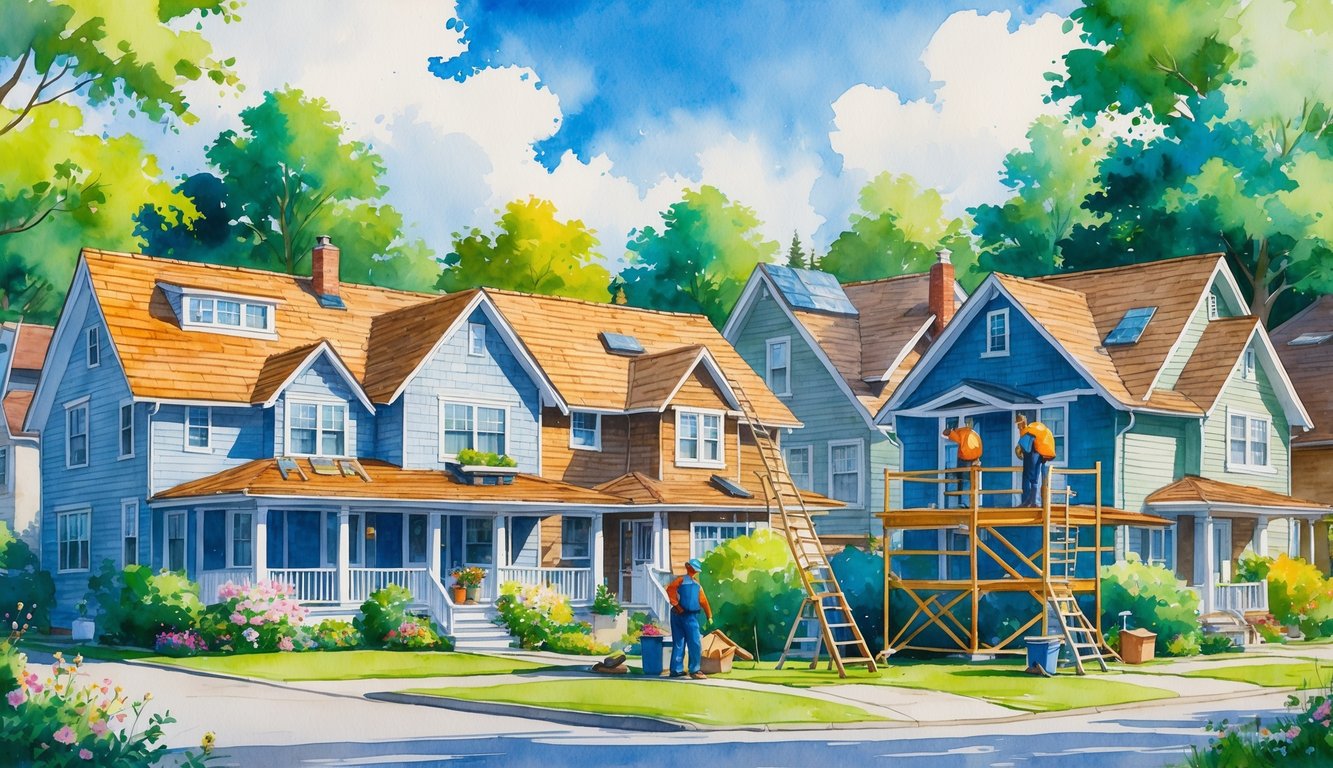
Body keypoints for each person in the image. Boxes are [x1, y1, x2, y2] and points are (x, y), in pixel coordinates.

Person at [666, 557, 713, 679]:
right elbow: (670, 591)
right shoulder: (681, 581)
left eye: (695, 569)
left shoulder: (696, 585)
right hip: (681, 615)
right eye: (693, 568)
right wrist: (676, 605)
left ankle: (683, 669)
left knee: (689, 642)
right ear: (688, 567)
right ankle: (689, 670)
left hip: (687, 615)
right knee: (687, 642)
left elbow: (704, 602)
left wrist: (709, 615)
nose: (694, 571)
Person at [1014, 413, 1056, 507]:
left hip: (1033, 456)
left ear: (1022, 423)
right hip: (1034, 456)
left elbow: (1024, 446)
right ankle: (1030, 501)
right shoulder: (1029, 431)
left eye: (1018, 424)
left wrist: (1019, 450)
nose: (1017, 426)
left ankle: (1034, 502)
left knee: (1033, 479)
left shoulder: (1028, 432)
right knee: (1032, 478)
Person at [942, 419, 983, 507]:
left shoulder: (961, 432)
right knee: (971, 481)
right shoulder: (974, 434)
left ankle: (965, 503)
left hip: (966, 459)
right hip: (975, 458)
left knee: (965, 481)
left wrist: (949, 432)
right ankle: (972, 503)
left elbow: (950, 435)